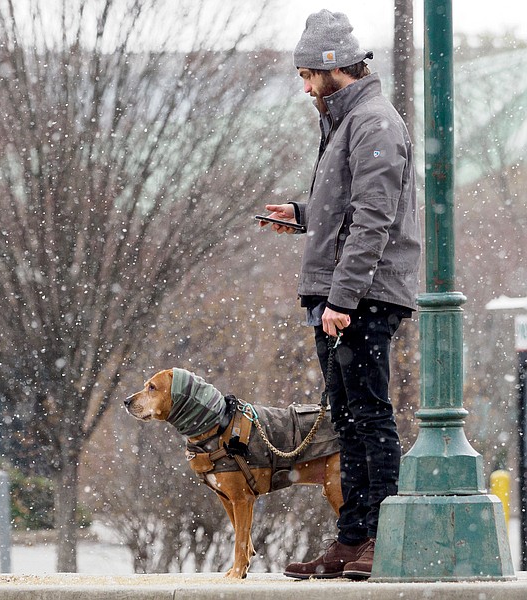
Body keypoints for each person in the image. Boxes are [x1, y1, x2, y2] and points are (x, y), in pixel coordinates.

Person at [260, 9, 421, 580]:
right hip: (344, 292)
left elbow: (376, 219)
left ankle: (379, 538)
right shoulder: (347, 122)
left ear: (332, 69)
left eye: (307, 75)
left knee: (369, 416)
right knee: (347, 421)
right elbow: (351, 211)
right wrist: (303, 216)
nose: (304, 87)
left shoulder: (373, 122)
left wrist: (344, 301)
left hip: (362, 296)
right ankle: (351, 540)